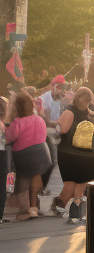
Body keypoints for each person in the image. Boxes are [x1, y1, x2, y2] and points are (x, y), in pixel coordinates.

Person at [52, 87, 94, 223]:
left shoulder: (70, 110)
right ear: (90, 99)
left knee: (69, 184)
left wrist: (57, 124)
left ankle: (60, 205)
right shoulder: (93, 113)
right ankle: (76, 209)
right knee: (81, 184)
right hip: (88, 154)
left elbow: (63, 130)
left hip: (69, 153)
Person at [3, 90, 52, 221]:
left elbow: (9, 137)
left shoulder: (17, 122)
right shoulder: (39, 120)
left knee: (23, 181)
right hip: (43, 155)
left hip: (24, 156)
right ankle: (34, 207)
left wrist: (8, 118)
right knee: (36, 176)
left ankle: (25, 210)